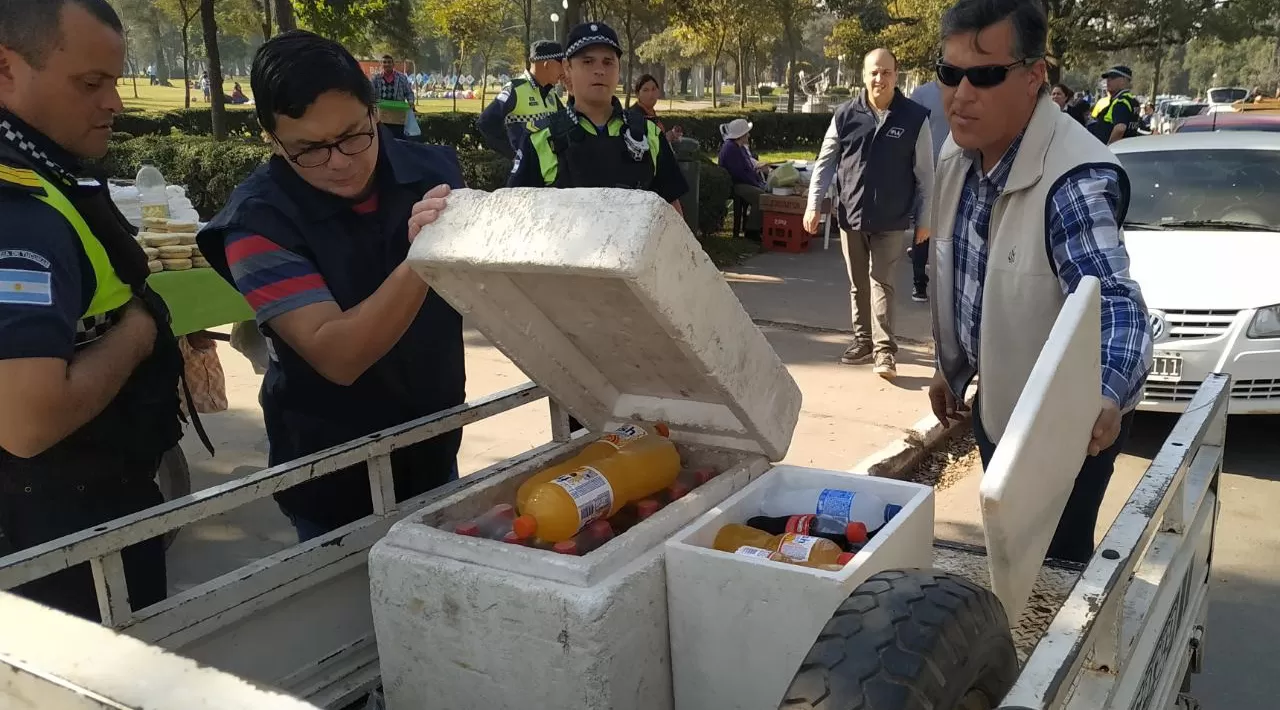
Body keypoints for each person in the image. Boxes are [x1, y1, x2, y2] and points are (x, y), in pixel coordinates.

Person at [197, 31, 466, 542]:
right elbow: (336, 353)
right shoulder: (257, 222)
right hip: (330, 473)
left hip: (434, 443)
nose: (339, 160)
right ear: (273, 141)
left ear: (374, 111)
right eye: (309, 149)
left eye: (352, 135)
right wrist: (425, 257)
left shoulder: (431, 172)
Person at [928, 0, 1152, 563]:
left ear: (1034, 78)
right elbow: (969, 273)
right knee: (1007, 552)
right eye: (949, 74)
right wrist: (950, 364)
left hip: (1069, 430)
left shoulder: (1073, 181)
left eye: (984, 75)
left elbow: (1118, 305)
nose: (961, 94)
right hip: (999, 403)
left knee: (1048, 572)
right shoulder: (960, 153)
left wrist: (1104, 394)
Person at [0, 0, 183, 620]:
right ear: (6, 69)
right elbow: (28, 422)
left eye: (114, 80)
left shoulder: (43, 176)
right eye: (90, 83)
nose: (115, 102)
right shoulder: (16, 212)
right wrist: (139, 330)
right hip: (64, 534)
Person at [802, 48, 934, 379]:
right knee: (858, 283)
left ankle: (885, 351)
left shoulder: (914, 117)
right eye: (874, 72)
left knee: (882, 281)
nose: (880, 78)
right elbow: (826, 161)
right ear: (863, 75)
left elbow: (926, 175)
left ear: (896, 75)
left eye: (886, 72)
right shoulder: (845, 115)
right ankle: (862, 341)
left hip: (892, 218)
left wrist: (925, 219)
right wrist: (813, 204)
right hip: (852, 214)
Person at [507, 22, 687, 213]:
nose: (599, 70)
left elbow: (673, 215)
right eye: (588, 61)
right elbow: (516, 218)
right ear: (567, 68)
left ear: (618, 69)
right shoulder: (540, 139)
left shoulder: (649, 134)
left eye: (608, 62)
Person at [476, 41, 565, 159]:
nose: (563, 70)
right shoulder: (515, 89)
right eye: (560, 63)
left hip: (549, 171)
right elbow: (485, 122)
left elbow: (566, 124)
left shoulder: (550, 94)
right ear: (546, 64)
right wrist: (513, 154)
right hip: (525, 174)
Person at [909, 79, 948, 304]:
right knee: (924, 226)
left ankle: (946, 287)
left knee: (949, 230)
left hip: (960, 169)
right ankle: (919, 283)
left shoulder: (966, 89)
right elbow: (910, 129)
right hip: (928, 171)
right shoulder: (922, 94)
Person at [717, 118, 769, 240]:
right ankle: (752, 231)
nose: (749, 135)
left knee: (763, 193)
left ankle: (756, 226)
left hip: (740, 182)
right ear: (741, 135)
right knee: (761, 197)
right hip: (735, 184)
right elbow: (740, 174)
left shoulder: (738, 147)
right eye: (747, 133)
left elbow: (746, 169)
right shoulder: (731, 149)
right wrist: (758, 183)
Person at [1087, 65, 1139, 144]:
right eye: (1107, 78)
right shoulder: (1131, 100)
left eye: (1112, 78)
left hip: (1114, 152)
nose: (1108, 81)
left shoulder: (1121, 102)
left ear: (1124, 80)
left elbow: (1120, 128)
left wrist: (1109, 148)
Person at [371, 54, 416, 140]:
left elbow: (409, 92)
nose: (387, 64)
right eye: (384, 62)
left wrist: (411, 101)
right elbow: (370, 93)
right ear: (381, 64)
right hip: (382, 115)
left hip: (398, 115)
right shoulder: (375, 78)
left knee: (398, 139)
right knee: (382, 139)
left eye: (389, 62)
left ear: (393, 64)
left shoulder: (402, 78)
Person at [632, 73, 682, 143]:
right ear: (637, 94)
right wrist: (665, 139)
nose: (651, 94)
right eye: (645, 90)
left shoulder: (651, 113)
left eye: (653, 89)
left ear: (658, 91)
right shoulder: (634, 117)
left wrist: (670, 135)